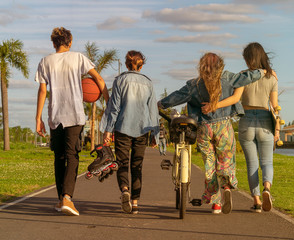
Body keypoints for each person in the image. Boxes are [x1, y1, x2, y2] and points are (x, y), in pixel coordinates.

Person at [158, 52, 265, 214]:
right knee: (226, 160)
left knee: (210, 164)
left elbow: (177, 96)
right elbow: (248, 77)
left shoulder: (194, 84)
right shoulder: (228, 77)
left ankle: (215, 204)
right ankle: (227, 187)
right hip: (224, 127)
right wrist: (263, 71)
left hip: (203, 128)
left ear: (201, 66)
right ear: (220, 65)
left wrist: (161, 103)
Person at [35, 27, 109, 216]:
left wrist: (38, 118)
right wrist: (108, 104)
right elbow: (98, 79)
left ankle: (62, 199)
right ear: (70, 42)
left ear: (53, 43)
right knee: (72, 156)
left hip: (55, 115)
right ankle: (67, 198)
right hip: (74, 115)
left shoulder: (45, 61)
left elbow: (43, 91)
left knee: (59, 157)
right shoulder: (78, 57)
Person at [202, 43, 278, 213]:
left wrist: (214, 105)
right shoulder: (272, 77)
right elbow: (275, 106)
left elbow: (235, 99)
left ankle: (257, 200)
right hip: (266, 120)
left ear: (248, 58)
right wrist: (278, 130)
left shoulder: (243, 76)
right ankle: (267, 188)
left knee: (252, 163)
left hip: (246, 121)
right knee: (267, 161)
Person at [101, 50, 159, 214]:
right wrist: (155, 134)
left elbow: (114, 109)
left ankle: (125, 189)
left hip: (122, 127)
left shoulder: (120, 80)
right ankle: (134, 203)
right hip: (143, 129)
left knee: (122, 163)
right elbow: (152, 111)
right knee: (137, 166)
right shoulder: (148, 83)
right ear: (141, 66)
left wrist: (107, 130)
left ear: (126, 65)